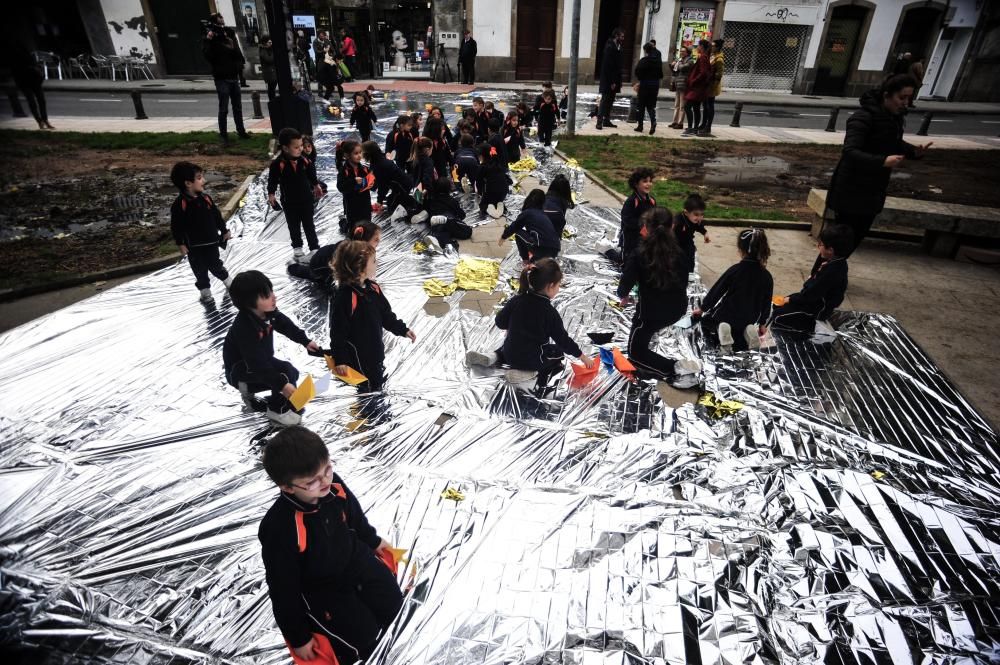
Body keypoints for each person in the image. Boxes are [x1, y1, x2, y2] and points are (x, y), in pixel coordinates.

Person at [258, 426, 403, 663]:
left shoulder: (333, 484)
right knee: (362, 640)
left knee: (394, 604)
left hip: (356, 559)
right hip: (324, 587)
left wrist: (374, 541)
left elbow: (354, 516)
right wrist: (298, 637)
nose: (325, 481)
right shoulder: (279, 528)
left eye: (327, 469)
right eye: (312, 481)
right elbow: (283, 588)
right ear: (287, 487)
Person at [825, 74, 931, 255]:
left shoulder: (892, 118)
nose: (906, 103)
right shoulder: (863, 117)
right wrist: (882, 161)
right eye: (902, 97)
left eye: (909, 98)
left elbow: (892, 142)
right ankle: (821, 276)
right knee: (839, 241)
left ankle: (833, 273)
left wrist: (914, 152)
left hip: (873, 189)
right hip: (851, 189)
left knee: (854, 238)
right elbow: (850, 152)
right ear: (886, 95)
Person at [466, 258, 594, 390]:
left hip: (509, 352)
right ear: (550, 286)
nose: (559, 288)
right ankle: (526, 373)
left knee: (510, 344)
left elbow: (499, 322)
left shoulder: (517, 300)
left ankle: (492, 356)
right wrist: (582, 357)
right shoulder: (549, 313)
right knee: (557, 353)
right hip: (531, 360)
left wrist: (512, 326)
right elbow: (563, 341)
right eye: (558, 285)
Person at [223, 270, 320, 426]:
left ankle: (288, 403)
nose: (274, 297)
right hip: (241, 369)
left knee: (291, 373)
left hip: (260, 361)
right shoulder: (244, 328)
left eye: (272, 291)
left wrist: (305, 341)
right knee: (284, 374)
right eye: (267, 296)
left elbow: (286, 326)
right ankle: (277, 410)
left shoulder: (268, 313)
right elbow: (257, 365)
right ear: (249, 303)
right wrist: (282, 386)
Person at [616, 208, 698, 385]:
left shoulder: (639, 254)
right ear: (673, 226)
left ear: (645, 227)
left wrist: (623, 296)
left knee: (635, 353)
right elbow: (684, 280)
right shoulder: (681, 253)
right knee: (649, 330)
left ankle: (675, 370)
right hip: (677, 310)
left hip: (650, 314)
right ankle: (671, 364)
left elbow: (624, 284)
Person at [330, 240, 416, 393]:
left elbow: (385, 314)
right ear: (360, 269)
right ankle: (369, 404)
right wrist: (341, 359)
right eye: (374, 261)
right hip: (359, 357)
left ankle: (376, 388)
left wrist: (402, 329)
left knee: (376, 375)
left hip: (375, 349)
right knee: (366, 386)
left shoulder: (373, 288)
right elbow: (338, 333)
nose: (377, 263)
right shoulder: (345, 297)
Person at [693, 229, 773, 351]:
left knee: (706, 322)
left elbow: (717, 290)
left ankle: (723, 332)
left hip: (728, 315)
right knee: (742, 330)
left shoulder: (735, 270)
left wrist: (702, 308)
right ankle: (748, 331)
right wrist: (762, 324)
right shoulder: (767, 276)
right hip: (750, 318)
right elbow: (767, 302)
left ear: (741, 250)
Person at [771, 225, 853, 335]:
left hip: (818, 309)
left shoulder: (832, 271)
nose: (818, 246)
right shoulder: (835, 260)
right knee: (779, 304)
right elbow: (813, 278)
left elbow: (810, 295)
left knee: (778, 315)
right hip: (814, 298)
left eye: (821, 244)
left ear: (830, 250)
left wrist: (790, 300)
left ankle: (810, 326)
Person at [169, 161, 232, 302]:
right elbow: (176, 226)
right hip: (194, 247)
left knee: (216, 265)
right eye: (199, 178)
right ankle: (205, 292)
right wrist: (181, 244)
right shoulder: (180, 205)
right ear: (188, 183)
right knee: (199, 270)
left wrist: (224, 230)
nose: (204, 180)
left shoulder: (206, 199)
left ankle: (229, 283)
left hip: (211, 242)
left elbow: (217, 216)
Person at [268, 128, 324, 261]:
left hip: (306, 199)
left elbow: (312, 175)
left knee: (309, 223)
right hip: (289, 201)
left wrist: (316, 186)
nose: (300, 149)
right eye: (297, 147)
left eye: (301, 146)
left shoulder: (305, 161)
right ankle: (297, 248)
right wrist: (271, 194)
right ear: (286, 148)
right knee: (293, 225)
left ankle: (314, 247)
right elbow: (273, 180)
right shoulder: (278, 164)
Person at [287, 221, 381, 291]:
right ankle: (292, 266)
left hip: (327, 258)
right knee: (312, 276)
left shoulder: (362, 251)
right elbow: (342, 275)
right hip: (320, 265)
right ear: (364, 241)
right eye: (376, 239)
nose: (379, 242)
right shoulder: (347, 253)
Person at [203, 14, 250, 144]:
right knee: (223, 108)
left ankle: (241, 131)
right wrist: (208, 40)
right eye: (219, 22)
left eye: (222, 21)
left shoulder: (229, 33)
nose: (221, 24)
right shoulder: (211, 37)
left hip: (233, 75)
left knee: (237, 107)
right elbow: (208, 55)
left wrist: (239, 67)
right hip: (221, 77)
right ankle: (223, 135)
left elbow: (237, 52)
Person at [361, 140, 423, 223]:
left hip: (406, 188)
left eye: (362, 153)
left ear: (368, 153)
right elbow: (378, 182)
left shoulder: (380, 165)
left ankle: (417, 211)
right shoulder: (378, 161)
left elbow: (383, 185)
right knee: (391, 202)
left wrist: (379, 201)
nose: (361, 155)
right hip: (403, 186)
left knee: (395, 208)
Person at [500, 189, 561, 263]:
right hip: (555, 250)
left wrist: (504, 236)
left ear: (528, 199)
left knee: (518, 233)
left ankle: (525, 261)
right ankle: (534, 262)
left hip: (540, 247)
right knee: (535, 266)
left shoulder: (528, 212)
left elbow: (515, 226)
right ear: (542, 203)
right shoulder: (544, 215)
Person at [7, 44, 53, 130]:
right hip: (24, 81)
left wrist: (38, 73)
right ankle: (40, 121)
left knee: (40, 100)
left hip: (33, 80)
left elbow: (34, 65)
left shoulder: (25, 53)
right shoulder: (14, 57)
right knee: (32, 101)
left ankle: (44, 120)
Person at [421, 178, 473, 252]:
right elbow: (462, 215)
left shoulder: (431, 201)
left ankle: (438, 240)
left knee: (443, 233)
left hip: (436, 226)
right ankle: (445, 221)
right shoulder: (452, 201)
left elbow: (427, 211)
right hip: (450, 222)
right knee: (468, 231)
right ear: (448, 188)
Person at [620, 167, 656, 263]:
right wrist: (642, 227)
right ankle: (608, 251)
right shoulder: (632, 201)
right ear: (636, 184)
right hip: (630, 238)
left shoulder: (652, 201)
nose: (648, 184)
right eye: (645, 181)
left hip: (645, 238)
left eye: (650, 181)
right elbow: (626, 219)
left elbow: (655, 216)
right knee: (626, 262)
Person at [336, 139, 375, 227]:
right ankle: (343, 222)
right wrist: (354, 181)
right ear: (347, 155)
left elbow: (372, 184)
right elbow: (341, 187)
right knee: (353, 229)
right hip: (352, 206)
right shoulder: (344, 171)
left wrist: (372, 185)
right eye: (356, 153)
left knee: (366, 228)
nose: (359, 156)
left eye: (360, 152)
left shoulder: (365, 169)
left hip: (365, 205)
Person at [673, 193, 710, 274]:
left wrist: (705, 233)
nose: (700, 218)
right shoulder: (678, 221)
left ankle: (690, 273)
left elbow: (699, 227)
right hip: (675, 243)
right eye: (696, 214)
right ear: (686, 212)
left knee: (690, 257)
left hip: (688, 241)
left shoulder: (696, 220)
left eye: (702, 214)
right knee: (676, 260)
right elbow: (669, 233)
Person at [596, 27, 625, 130]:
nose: (623, 38)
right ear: (616, 36)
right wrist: (612, 81)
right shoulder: (609, 46)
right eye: (621, 36)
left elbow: (619, 65)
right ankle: (599, 121)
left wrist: (619, 81)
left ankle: (606, 120)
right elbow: (608, 66)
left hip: (615, 79)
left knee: (611, 100)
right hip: (608, 79)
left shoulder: (619, 46)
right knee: (605, 100)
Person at [683, 40, 712, 137]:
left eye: (698, 46)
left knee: (687, 106)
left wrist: (694, 80)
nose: (697, 48)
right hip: (700, 87)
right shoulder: (705, 57)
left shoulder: (703, 57)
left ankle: (691, 127)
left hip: (697, 87)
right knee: (696, 108)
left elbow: (703, 72)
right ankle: (694, 128)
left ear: (702, 46)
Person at [633, 42, 663, 135]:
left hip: (645, 85)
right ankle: (653, 122)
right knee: (651, 106)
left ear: (645, 50)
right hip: (654, 85)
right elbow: (661, 74)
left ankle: (640, 126)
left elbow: (637, 71)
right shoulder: (658, 61)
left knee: (641, 105)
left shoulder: (644, 60)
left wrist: (641, 79)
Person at [699, 39, 725, 137]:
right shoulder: (711, 55)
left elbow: (719, 74)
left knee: (710, 106)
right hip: (707, 85)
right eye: (712, 45)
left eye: (714, 46)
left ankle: (708, 127)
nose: (712, 47)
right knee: (705, 106)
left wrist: (713, 87)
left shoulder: (719, 59)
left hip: (712, 86)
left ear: (718, 47)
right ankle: (703, 124)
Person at [477, 142, 509, 220]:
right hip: (504, 191)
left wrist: (480, 192)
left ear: (482, 155)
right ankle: (500, 204)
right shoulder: (498, 163)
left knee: (483, 205)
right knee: (496, 198)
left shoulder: (483, 167)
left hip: (492, 192)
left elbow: (479, 182)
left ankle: (489, 208)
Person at [669, 47, 693, 129]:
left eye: (683, 51)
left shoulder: (690, 60)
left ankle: (680, 123)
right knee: (676, 105)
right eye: (681, 51)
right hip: (678, 83)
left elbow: (683, 67)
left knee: (682, 105)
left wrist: (677, 64)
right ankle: (674, 122)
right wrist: (672, 65)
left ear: (687, 52)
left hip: (684, 84)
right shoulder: (680, 60)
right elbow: (675, 71)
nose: (681, 52)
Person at [258, 36, 277, 101]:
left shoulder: (267, 49)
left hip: (272, 72)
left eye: (271, 42)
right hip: (269, 73)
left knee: (272, 88)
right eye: (269, 42)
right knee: (271, 88)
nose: (271, 44)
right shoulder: (263, 50)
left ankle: (273, 100)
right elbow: (269, 59)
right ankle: (272, 100)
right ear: (265, 43)